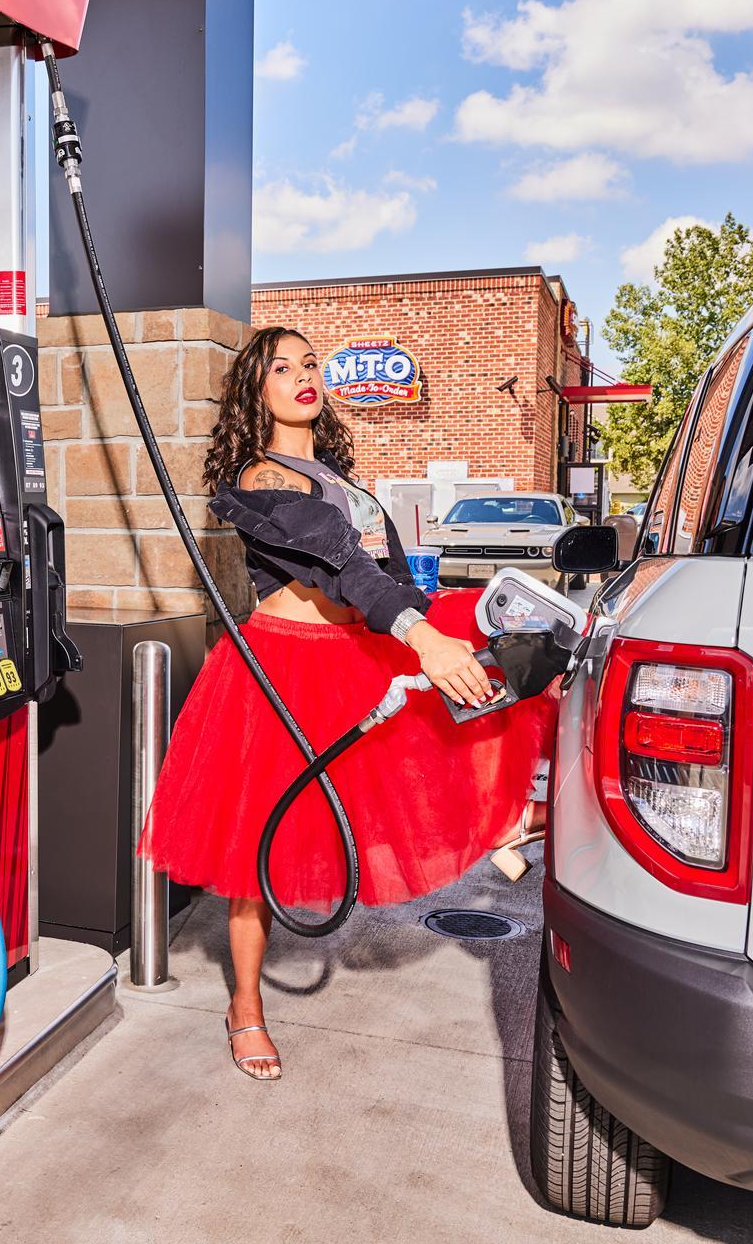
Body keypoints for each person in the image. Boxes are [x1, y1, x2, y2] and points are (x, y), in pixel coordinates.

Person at [138, 327, 555, 1081]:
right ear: (252, 391)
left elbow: (381, 570)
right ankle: (246, 1009)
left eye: (309, 365)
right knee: (260, 841)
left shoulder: (331, 471)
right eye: (281, 369)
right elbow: (341, 565)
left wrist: (433, 624)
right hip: (280, 671)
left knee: (515, 663)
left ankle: (502, 818)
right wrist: (422, 636)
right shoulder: (260, 480)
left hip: (356, 649)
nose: (303, 378)